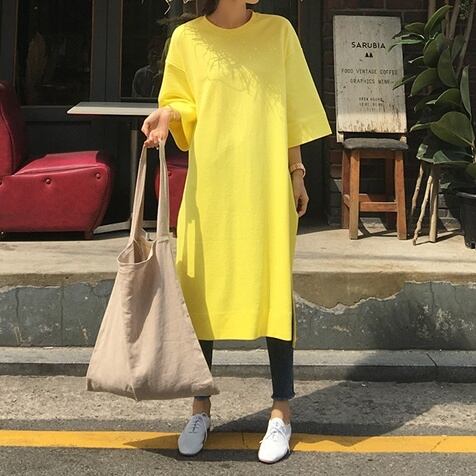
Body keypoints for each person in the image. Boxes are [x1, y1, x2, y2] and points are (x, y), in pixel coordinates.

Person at [141, 0, 332, 464]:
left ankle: (281, 411)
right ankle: (199, 409)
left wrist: (297, 171)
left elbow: (290, 108)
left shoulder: (278, 32)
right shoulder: (188, 38)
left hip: (266, 186)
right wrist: (167, 116)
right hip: (212, 187)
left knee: (273, 292)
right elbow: (181, 102)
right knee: (201, 291)